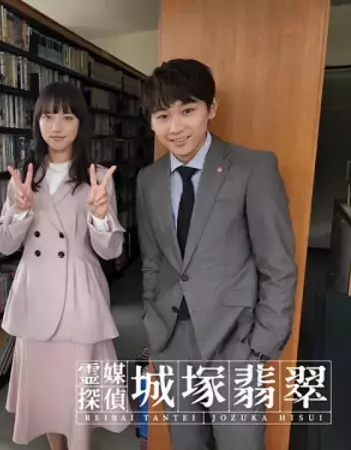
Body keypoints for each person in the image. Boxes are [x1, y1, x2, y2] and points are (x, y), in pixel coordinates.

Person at [136, 59, 297, 450]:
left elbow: (277, 264)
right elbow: (152, 261)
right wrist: (154, 327)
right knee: (186, 443)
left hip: (235, 339)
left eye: (187, 111)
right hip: (173, 339)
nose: (175, 127)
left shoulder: (253, 167)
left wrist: (261, 345)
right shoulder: (148, 179)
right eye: (162, 116)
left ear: (212, 107)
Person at [0, 81, 130, 450]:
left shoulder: (97, 177)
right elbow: (4, 243)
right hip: (35, 297)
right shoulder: (25, 178)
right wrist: (20, 211)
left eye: (67, 117)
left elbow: (110, 250)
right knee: (48, 394)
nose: (56, 126)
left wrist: (99, 215)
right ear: (37, 122)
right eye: (48, 117)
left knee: (77, 393)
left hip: (78, 299)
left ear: (80, 123)